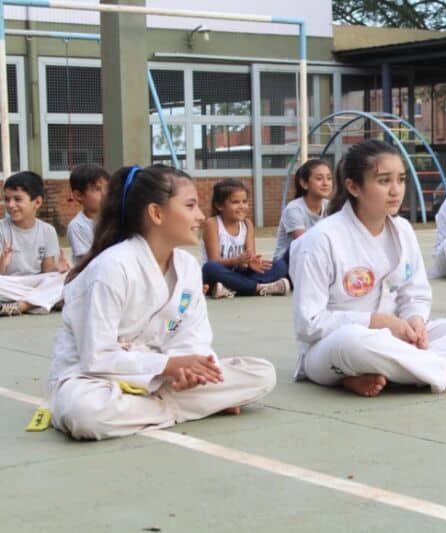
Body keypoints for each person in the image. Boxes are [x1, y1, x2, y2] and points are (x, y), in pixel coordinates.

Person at [46, 165, 276, 440]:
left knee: (262, 374)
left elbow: (193, 340)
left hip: (163, 379)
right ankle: (175, 409)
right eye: (190, 206)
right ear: (156, 213)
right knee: (87, 414)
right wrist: (166, 367)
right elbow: (97, 358)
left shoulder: (188, 267)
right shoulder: (111, 267)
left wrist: (189, 372)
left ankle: (151, 409)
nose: (201, 217)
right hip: (95, 380)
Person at [290, 140, 446, 397]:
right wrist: (376, 322)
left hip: (395, 338)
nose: (396, 190)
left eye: (400, 179)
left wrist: (415, 320)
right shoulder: (321, 240)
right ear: (353, 186)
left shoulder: (403, 230)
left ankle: (388, 372)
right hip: (333, 347)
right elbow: (307, 324)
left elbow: (415, 293)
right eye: (384, 181)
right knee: (355, 340)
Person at [200, 179, 290, 298]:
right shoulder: (212, 224)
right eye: (235, 202)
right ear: (219, 205)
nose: (242, 206)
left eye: (245, 201)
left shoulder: (247, 224)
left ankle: (230, 289)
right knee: (210, 268)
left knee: (280, 266)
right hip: (220, 273)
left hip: (240, 273)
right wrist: (236, 261)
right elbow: (214, 260)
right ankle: (259, 288)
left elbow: (250, 256)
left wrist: (252, 263)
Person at [0, 171, 69, 316]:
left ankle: (22, 306)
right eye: (7, 199)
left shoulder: (48, 231)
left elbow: (47, 273)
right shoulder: (1, 229)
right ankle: (42, 302)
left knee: (66, 277)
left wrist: (57, 269)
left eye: (17, 199)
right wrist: (3, 262)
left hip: (35, 283)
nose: (11, 205)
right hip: (7, 284)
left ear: (37, 202)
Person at [273, 158, 332, 263]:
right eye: (319, 179)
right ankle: (281, 280)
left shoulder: (330, 206)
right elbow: (304, 245)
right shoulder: (294, 209)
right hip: (288, 263)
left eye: (329, 178)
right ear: (304, 183)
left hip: (316, 259)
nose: (326, 183)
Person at [67, 164, 110, 263]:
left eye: (107, 188)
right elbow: (87, 262)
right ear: (78, 195)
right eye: (97, 189)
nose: (104, 194)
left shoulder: (115, 219)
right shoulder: (77, 226)